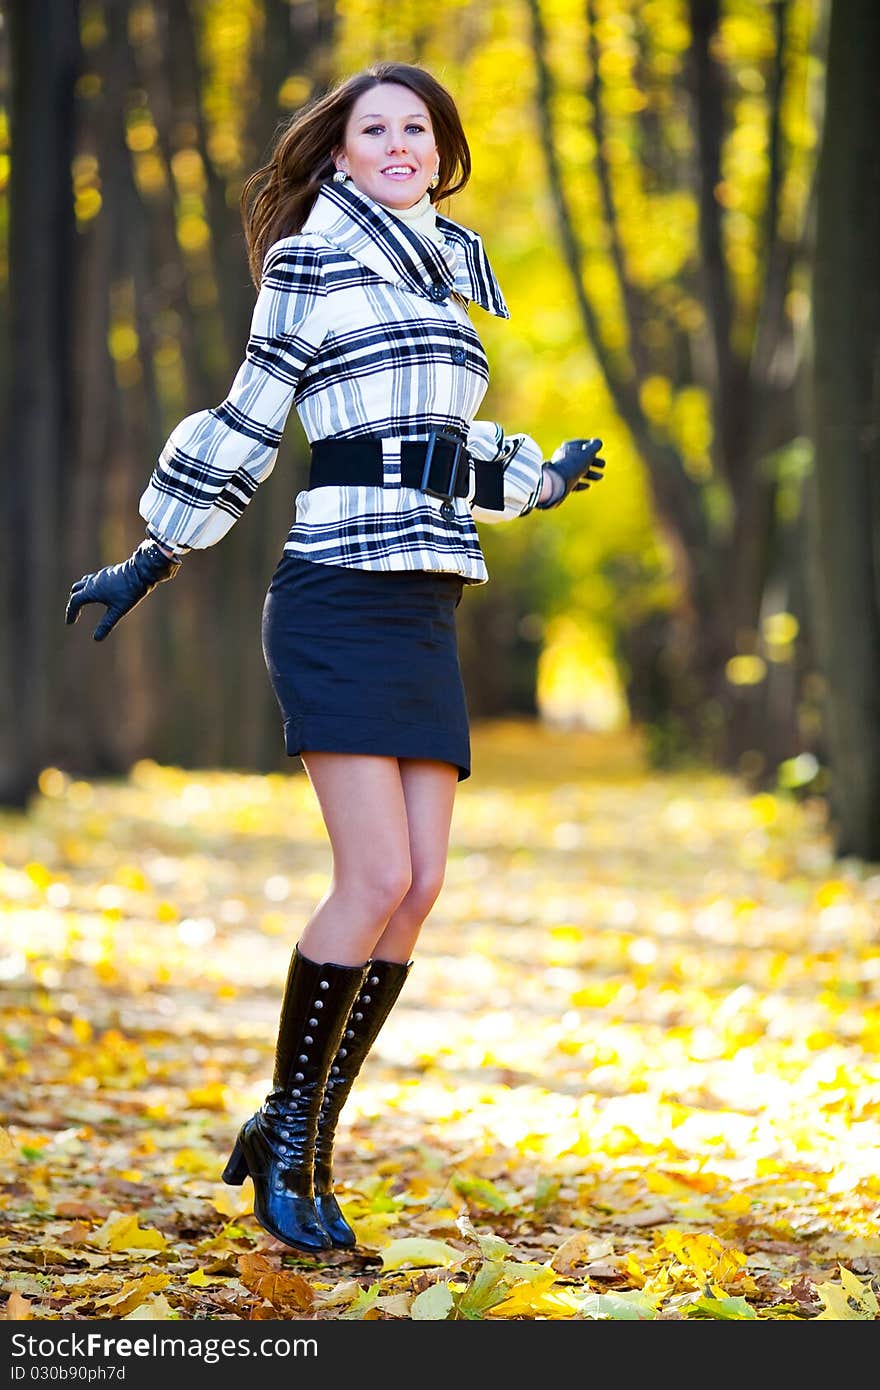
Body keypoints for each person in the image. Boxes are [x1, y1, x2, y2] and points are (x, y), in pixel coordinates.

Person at [64, 61, 606, 1256]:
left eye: (419, 128)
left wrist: (541, 478)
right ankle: (295, 1150)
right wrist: (155, 552)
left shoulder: (443, 272)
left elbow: (437, 451)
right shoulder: (314, 258)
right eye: (379, 128)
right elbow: (255, 413)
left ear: (440, 148)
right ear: (341, 150)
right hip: (333, 594)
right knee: (370, 880)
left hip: (421, 600)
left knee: (417, 893)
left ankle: (293, 1130)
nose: (402, 144)